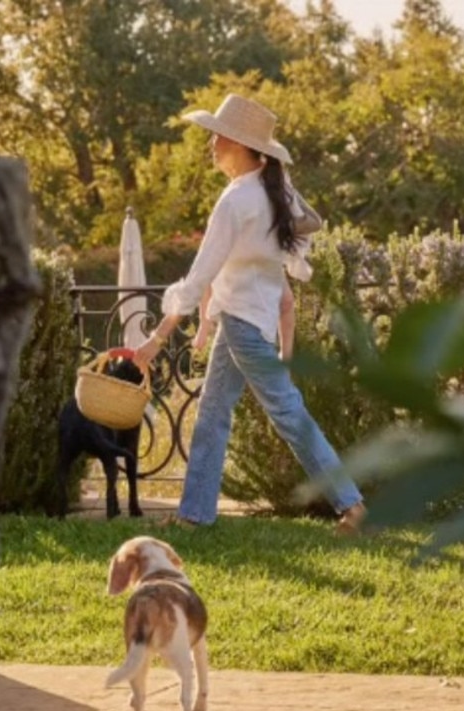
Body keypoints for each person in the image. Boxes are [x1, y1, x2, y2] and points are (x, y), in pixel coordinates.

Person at [133, 93, 366, 533]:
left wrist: (156, 339)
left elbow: (199, 276)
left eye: (218, 137)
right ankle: (195, 515)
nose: (212, 145)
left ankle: (352, 505)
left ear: (239, 144)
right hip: (246, 322)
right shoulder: (275, 194)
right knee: (213, 413)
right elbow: (278, 277)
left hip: (243, 326)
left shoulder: (237, 200)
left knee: (289, 415)